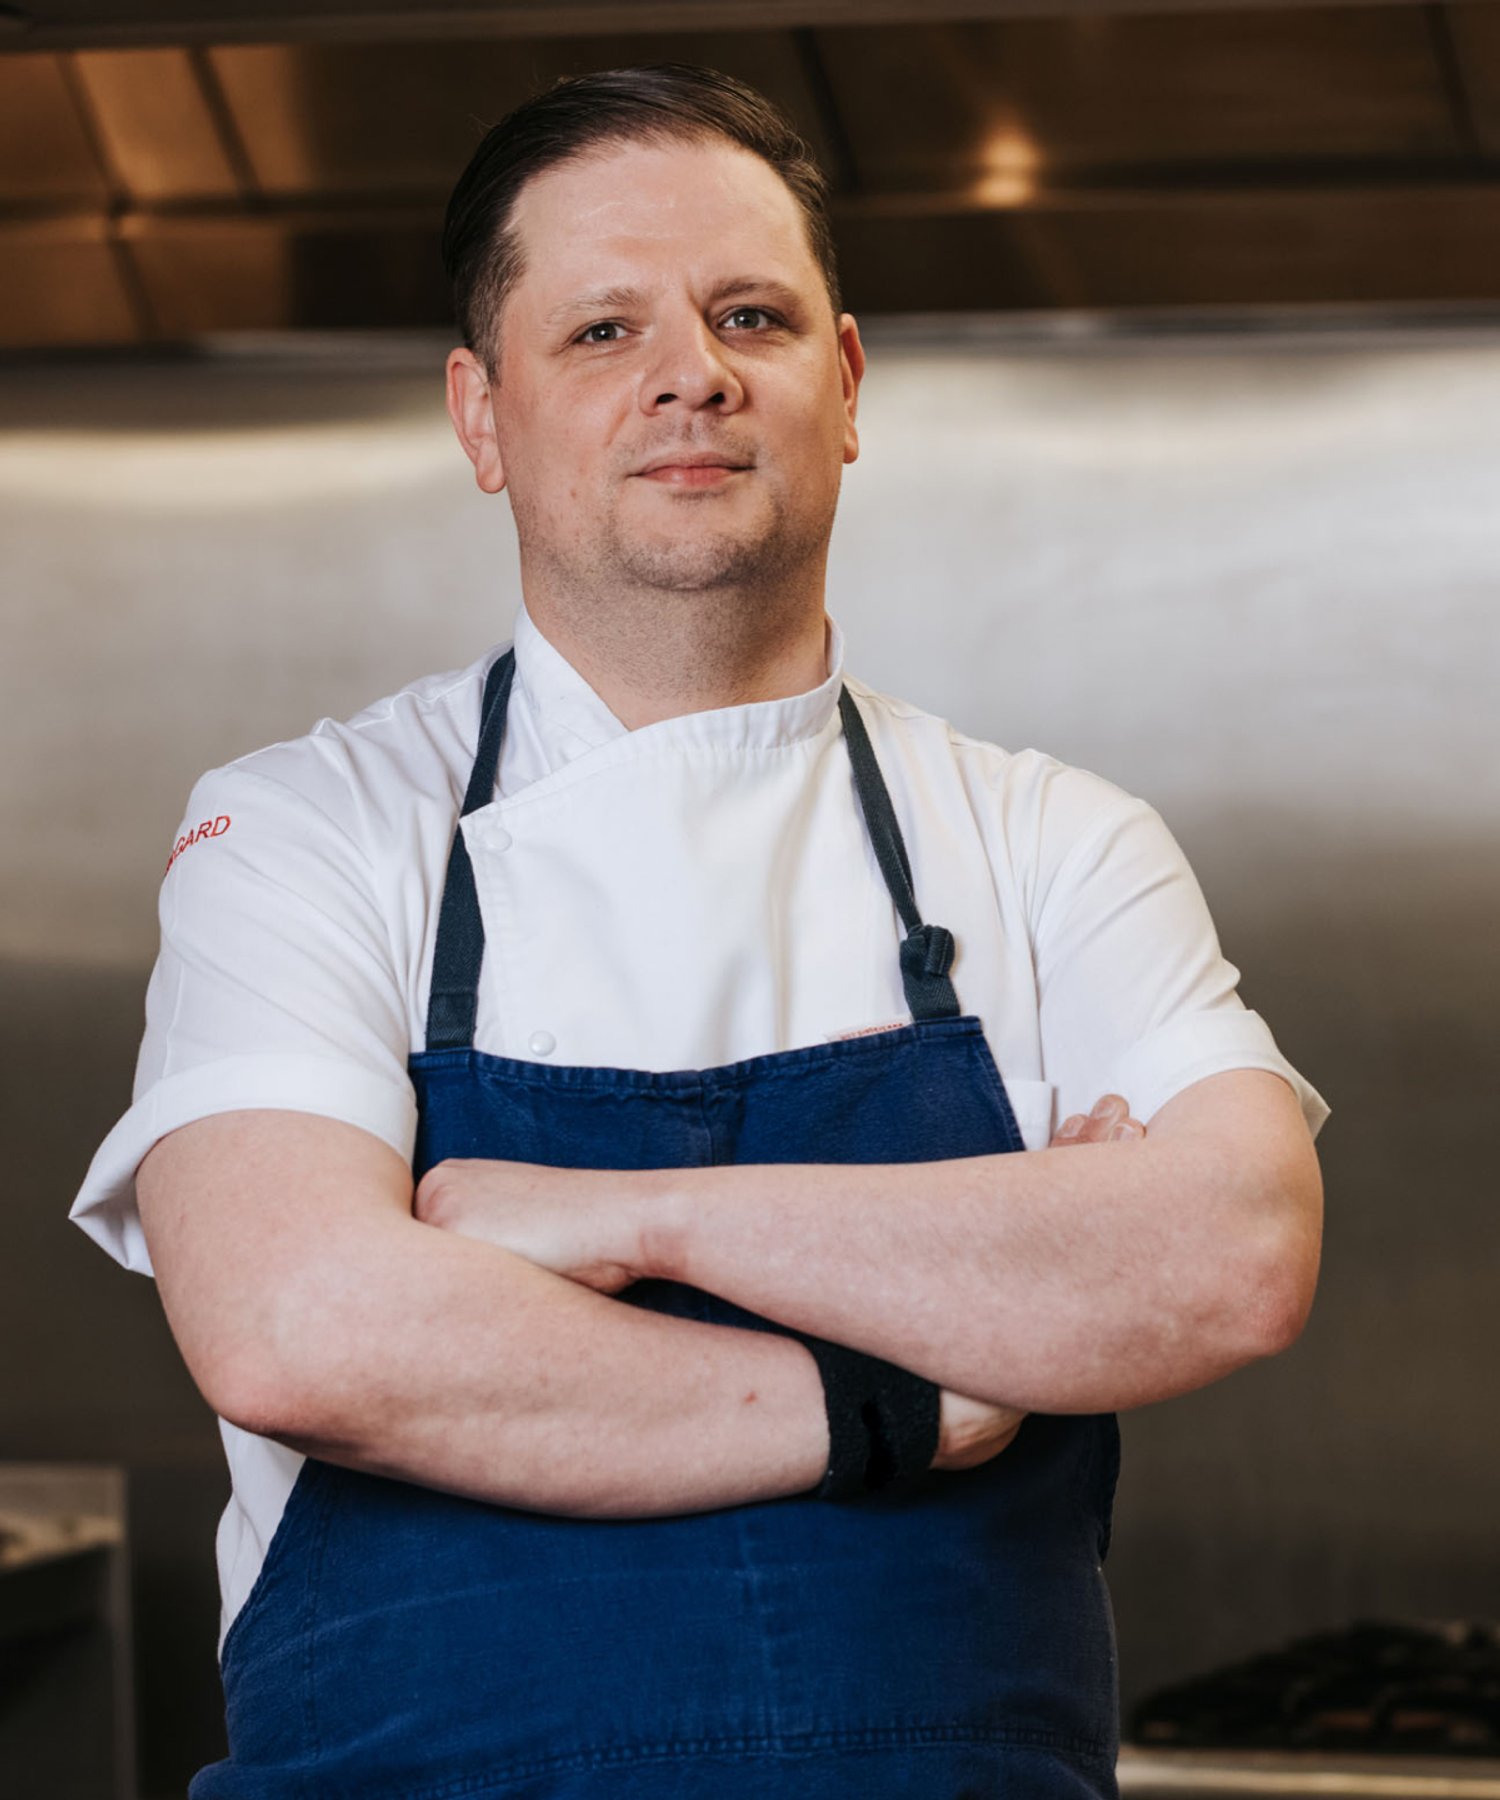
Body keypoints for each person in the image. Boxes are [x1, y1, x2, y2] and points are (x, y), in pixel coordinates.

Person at [71, 63, 1327, 1800]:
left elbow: (1233, 1250)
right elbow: (300, 1324)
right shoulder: (310, 830)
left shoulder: (1050, 841)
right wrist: (901, 1397)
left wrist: (616, 1219)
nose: (694, 375)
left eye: (753, 316)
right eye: (603, 330)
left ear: (848, 383)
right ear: (482, 416)